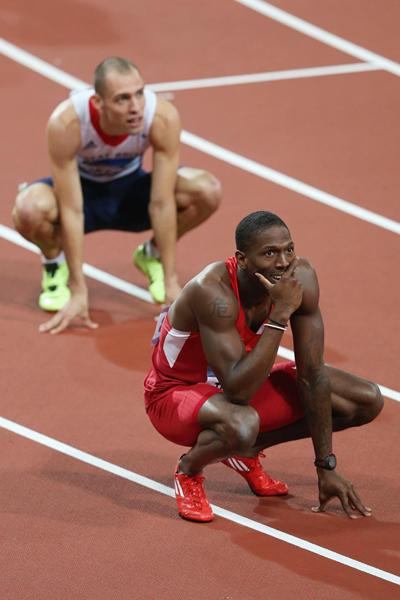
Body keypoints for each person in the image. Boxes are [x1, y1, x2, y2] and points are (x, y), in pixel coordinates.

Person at [144, 210, 383, 522]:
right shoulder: (212, 292)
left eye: (288, 250)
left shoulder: (301, 279)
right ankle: (189, 470)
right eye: (270, 253)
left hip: (239, 383)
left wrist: (326, 466)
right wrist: (280, 315)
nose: (283, 262)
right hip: (174, 395)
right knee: (242, 423)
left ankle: (245, 450)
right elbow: (238, 391)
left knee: (365, 400)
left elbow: (312, 373)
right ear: (242, 259)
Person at [12, 56, 222, 334]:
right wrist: (78, 288)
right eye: (122, 99)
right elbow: (72, 209)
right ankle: (54, 263)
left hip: (130, 195)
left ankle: (152, 254)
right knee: (29, 210)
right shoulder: (67, 123)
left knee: (206, 190)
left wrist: (171, 279)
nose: (135, 107)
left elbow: (161, 202)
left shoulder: (161, 117)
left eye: (139, 93)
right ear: (98, 103)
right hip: (82, 196)